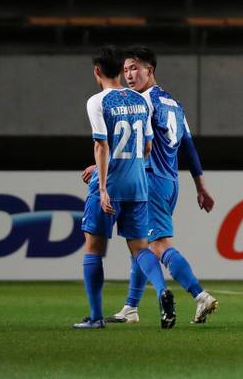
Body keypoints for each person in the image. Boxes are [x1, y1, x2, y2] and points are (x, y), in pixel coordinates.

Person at [84, 47, 218, 324]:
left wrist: (100, 167)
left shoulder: (140, 101)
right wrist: (200, 185)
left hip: (150, 179)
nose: (129, 75)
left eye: (135, 68)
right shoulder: (173, 103)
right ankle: (131, 307)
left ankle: (199, 295)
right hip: (171, 180)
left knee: (156, 245)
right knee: (139, 245)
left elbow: (133, 146)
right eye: (126, 70)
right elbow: (188, 147)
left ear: (150, 70)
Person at [75, 46, 175, 329]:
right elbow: (146, 145)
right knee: (141, 249)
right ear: (121, 70)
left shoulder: (97, 102)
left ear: (97, 71)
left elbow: (101, 144)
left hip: (111, 184)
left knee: (93, 248)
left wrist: (103, 186)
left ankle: (95, 317)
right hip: (138, 184)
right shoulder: (140, 100)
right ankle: (161, 291)